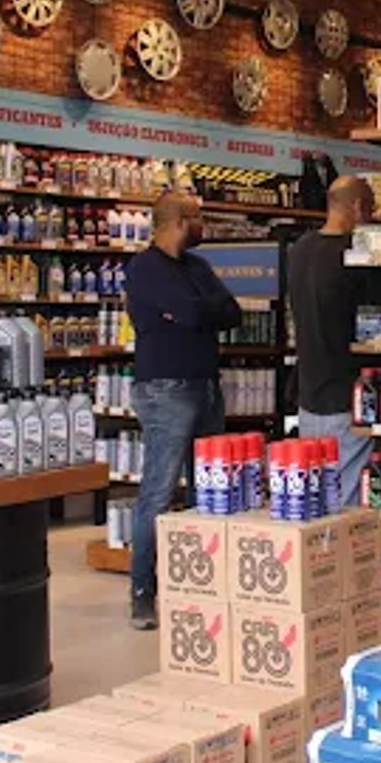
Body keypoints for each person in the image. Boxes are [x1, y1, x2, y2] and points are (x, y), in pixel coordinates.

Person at [124, 191, 241, 630]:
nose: (203, 224)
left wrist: (196, 312)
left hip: (205, 386)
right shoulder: (144, 268)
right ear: (176, 221)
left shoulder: (197, 267)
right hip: (164, 390)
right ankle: (142, 592)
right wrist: (197, 312)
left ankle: (195, 585)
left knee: (206, 491)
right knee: (158, 491)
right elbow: (197, 311)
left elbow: (230, 313)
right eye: (197, 217)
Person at [287, 176, 381, 506]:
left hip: (309, 394)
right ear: (359, 207)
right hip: (350, 394)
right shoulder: (357, 255)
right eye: (371, 209)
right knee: (346, 501)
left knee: (315, 493)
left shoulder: (300, 249)